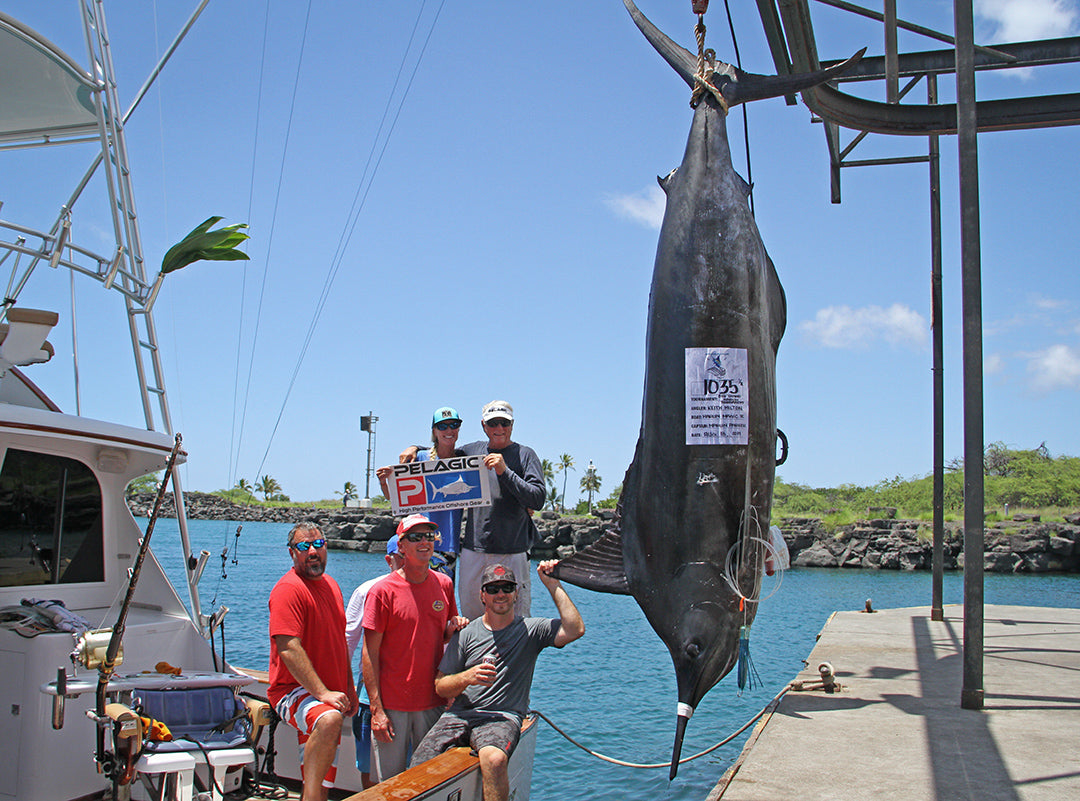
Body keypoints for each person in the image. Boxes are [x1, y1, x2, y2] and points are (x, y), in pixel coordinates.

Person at [410, 561, 585, 801]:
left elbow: (575, 629)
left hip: (501, 717)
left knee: (494, 759)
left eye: (506, 588)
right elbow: (440, 686)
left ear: (516, 594)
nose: (500, 594)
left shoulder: (532, 630)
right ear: (483, 595)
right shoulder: (466, 633)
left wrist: (553, 584)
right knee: (419, 762)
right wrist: (467, 677)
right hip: (459, 714)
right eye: (492, 589)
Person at [402, 400, 546, 620]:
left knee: (516, 619)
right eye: (493, 423)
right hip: (472, 551)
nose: (499, 428)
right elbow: (444, 449)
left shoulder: (526, 455)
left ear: (512, 425)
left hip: (513, 550)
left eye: (504, 423)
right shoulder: (471, 451)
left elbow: (537, 499)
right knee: (472, 618)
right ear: (483, 426)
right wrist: (415, 448)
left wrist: (504, 471)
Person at [361, 514, 468, 783]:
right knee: (390, 785)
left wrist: (454, 628)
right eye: (415, 537)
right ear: (401, 546)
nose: (424, 542)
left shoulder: (444, 584)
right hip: (393, 705)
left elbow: (443, 637)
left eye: (429, 536)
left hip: (433, 702)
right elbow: (369, 653)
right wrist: (377, 710)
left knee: (429, 781)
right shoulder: (382, 591)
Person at [268, 522, 358, 801]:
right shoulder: (288, 589)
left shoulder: (332, 586)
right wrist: (322, 693)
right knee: (329, 720)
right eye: (304, 547)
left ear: (326, 547)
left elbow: (338, 641)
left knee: (324, 786)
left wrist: (349, 687)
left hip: (328, 693)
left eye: (318, 544)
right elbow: (289, 647)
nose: (312, 552)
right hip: (290, 691)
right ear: (292, 553)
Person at [344, 535, 403, 789]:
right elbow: (348, 640)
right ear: (388, 560)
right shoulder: (367, 590)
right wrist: (344, 687)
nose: (407, 561)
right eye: (400, 556)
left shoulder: (432, 586)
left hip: (411, 696)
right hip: (371, 694)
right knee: (368, 768)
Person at [377, 406, 464, 579]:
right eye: (442, 426)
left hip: (448, 544)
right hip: (418, 541)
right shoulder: (419, 458)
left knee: (441, 598)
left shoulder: (465, 459)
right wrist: (384, 482)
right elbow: (395, 499)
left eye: (454, 425)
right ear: (434, 430)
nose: (448, 430)